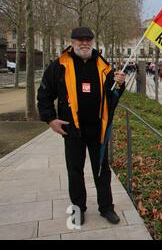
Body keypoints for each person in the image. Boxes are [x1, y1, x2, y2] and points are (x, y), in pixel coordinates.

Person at [37, 27, 125, 226]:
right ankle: (78, 209)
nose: (84, 43)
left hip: (98, 129)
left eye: (88, 40)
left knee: (102, 170)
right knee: (75, 171)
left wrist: (119, 84)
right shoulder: (59, 65)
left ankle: (107, 208)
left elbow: (112, 98)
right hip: (72, 130)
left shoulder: (104, 65)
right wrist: (50, 119)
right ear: (72, 42)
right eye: (80, 40)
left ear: (93, 42)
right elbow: (44, 95)